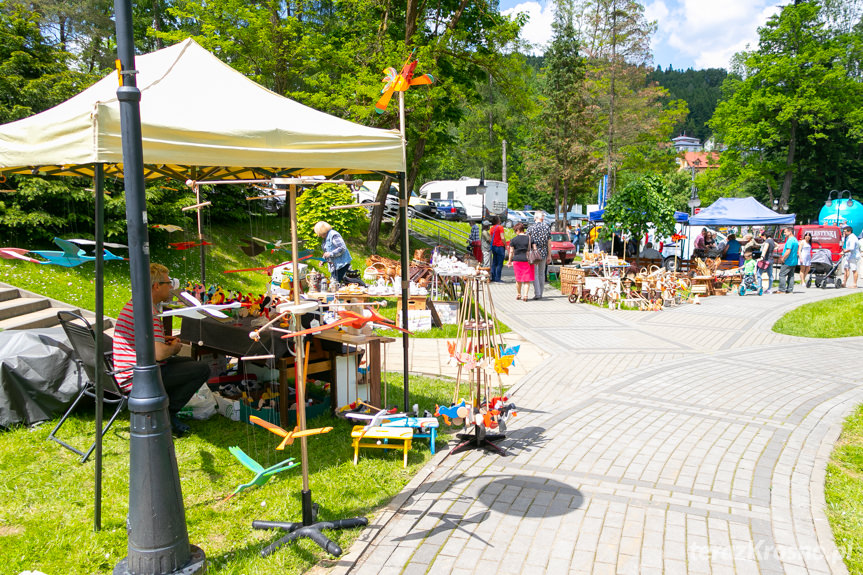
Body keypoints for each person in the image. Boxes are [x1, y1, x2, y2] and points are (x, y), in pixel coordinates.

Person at [113, 263, 210, 436]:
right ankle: (167, 414)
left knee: (189, 363)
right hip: (137, 378)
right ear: (156, 286)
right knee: (202, 368)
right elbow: (159, 354)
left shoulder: (137, 304)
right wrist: (174, 348)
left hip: (126, 371)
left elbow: (142, 339)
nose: (171, 287)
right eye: (168, 283)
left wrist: (163, 340)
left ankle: (164, 410)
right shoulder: (148, 312)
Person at [506, 223, 534, 300]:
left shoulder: (514, 240)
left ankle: (518, 294)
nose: (515, 232)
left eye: (515, 231)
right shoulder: (530, 238)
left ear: (518, 230)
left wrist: (509, 261)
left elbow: (511, 252)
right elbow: (534, 249)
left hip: (517, 261)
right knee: (526, 280)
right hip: (527, 260)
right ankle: (525, 295)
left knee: (518, 279)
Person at [527, 211, 551, 299]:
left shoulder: (531, 228)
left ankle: (537, 293)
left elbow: (528, 242)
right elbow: (549, 243)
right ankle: (541, 292)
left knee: (535, 274)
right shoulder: (547, 228)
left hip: (534, 253)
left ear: (535, 218)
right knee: (542, 273)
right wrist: (549, 255)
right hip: (544, 253)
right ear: (542, 218)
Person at [776, 226, 798, 294]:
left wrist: (783, 258)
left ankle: (781, 289)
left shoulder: (790, 240)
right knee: (791, 276)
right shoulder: (795, 240)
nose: (784, 234)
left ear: (790, 232)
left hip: (788, 261)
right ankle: (790, 289)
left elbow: (788, 251)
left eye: (785, 232)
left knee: (782, 274)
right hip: (794, 261)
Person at [756, 229, 776, 293]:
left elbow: (765, 249)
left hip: (766, 260)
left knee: (759, 274)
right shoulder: (772, 241)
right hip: (771, 260)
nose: (763, 238)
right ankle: (769, 289)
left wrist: (762, 257)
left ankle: (759, 287)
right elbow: (777, 246)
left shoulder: (767, 241)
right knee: (770, 275)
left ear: (765, 235)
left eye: (763, 236)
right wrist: (772, 250)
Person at [489, 216, 506, 282]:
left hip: (494, 246)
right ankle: (498, 278)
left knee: (494, 262)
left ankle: (493, 277)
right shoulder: (500, 227)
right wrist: (505, 244)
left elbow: (490, 239)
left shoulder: (491, 228)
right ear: (498, 221)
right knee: (500, 263)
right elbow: (502, 237)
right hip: (500, 246)